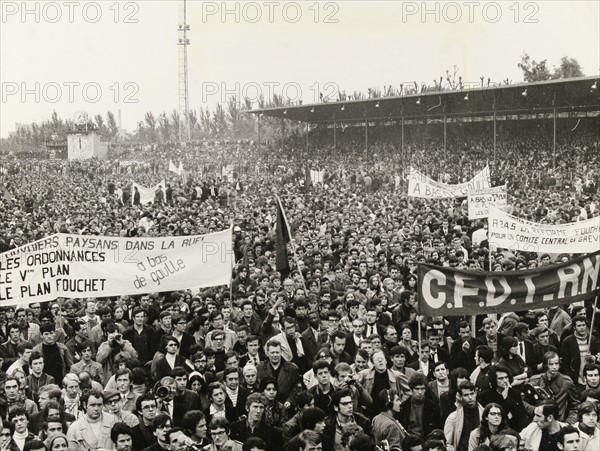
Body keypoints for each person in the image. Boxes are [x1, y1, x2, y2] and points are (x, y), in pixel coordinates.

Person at [527, 351, 580, 424]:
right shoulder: (535, 381)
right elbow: (523, 402)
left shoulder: (566, 382)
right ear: (545, 365)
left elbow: (575, 406)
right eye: (551, 364)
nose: (554, 367)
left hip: (558, 422)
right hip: (538, 422)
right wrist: (535, 410)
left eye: (556, 363)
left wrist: (569, 423)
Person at [444, 381, 484, 451]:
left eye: (472, 394)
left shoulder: (484, 414)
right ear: (460, 396)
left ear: (476, 393)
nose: (470, 397)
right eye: (466, 395)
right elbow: (447, 442)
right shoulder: (453, 417)